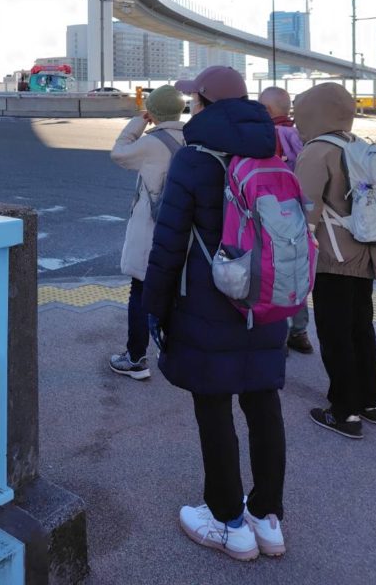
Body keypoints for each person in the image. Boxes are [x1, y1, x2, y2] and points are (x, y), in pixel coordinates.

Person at [143, 66, 287, 561]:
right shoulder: (273, 149)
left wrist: (154, 310)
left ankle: (228, 521)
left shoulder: (193, 158)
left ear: (204, 103)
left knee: (214, 407)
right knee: (264, 404)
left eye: (194, 101)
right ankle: (267, 519)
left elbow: (168, 245)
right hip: (266, 300)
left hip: (208, 305)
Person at [293, 82, 376, 439]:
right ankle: (370, 401)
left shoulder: (317, 151)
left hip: (333, 255)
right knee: (361, 327)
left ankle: (344, 411)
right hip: (367, 251)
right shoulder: (359, 145)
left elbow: (304, 209)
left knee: (335, 333)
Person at [109, 85, 186, 380]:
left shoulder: (151, 143)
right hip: (179, 228)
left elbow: (119, 153)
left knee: (141, 292)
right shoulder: (191, 139)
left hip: (150, 230)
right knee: (175, 293)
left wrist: (138, 123)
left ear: (153, 112)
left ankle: (136, 358)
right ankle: (174, 353)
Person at [259, 86, 312, 355]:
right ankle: (300, 331)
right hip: (300, 215)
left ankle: (277, 335)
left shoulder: (269, 135)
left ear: (267, 110)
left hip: (274, 216)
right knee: (297, 270)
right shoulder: (302, 136)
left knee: (275, 273)